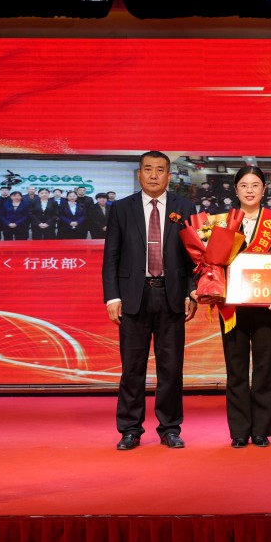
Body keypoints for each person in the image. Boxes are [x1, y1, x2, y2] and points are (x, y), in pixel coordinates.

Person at [102, 151, 199, 451]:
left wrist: (191, 291)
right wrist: (112, 297)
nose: (153, 175)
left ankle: (170, 428)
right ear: (139, 174)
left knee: (171, 367)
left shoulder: (185, 207)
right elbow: (111, 257)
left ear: (169, 175)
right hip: (134, 296)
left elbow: (194, 256)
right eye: (148, 169)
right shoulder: (121, 208)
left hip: (172, 295)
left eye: (160, 170)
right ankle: (130, 429)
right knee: (132, 367)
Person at [216, 166, 271, 449]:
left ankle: (260, 429)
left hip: (266, 304)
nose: (249, 190)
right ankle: (238, 430)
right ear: (235, 190)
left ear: (263, 190)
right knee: (235, 369)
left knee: (263, 368)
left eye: (255, 185)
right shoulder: (221, 222)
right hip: (232, 305)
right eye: (244, 185)